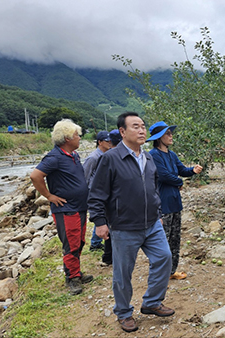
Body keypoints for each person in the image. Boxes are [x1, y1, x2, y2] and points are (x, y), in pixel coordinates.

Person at [88, 112, 174, 333]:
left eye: (143, 126)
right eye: (136, 126)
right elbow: (97, 194)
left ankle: (152, 302)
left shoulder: (148, 157)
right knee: (123, 273)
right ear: (123, 132)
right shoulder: (111, 158)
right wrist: (100, 222)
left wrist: (158, 214)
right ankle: (124, 313)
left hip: (152, 223)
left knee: (164, 257)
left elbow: (154, 189)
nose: (142, 130)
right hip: (124, 226)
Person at [29, 119, 93, 295]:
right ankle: (72, 278)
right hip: (66, 209)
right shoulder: (54, 157)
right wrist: (49, 196)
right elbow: (35, 176)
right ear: (66, 138)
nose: (79, 138)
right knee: (71, 244)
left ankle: (76, 272)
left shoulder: (74, 155)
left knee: (79, 242)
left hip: (79, 207)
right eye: (76, 135)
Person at [147, 121, 203, 280]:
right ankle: (159, 272)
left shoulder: (171, 155)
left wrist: (192, 170)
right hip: (163, 204)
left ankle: (171, 271)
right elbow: (163, 175)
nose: (171, 136)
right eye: (168, 134)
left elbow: (181, 170)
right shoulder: (153, 155)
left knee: (175, 239)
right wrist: (179, 182)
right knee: (161, 240)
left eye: (171, 133)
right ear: (159, 138)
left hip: (174, 202)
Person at [83, 130, 112, 252]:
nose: (110, 143)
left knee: (104, 216)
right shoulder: (93, 157)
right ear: (100, 142)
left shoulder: (107, 155)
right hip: (94, 192)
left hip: (104, 191)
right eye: (107, 141)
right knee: (100, 216)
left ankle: (97, 242)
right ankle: (95, 243)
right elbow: (85, 176)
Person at [100, 128, 122, 266]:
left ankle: (110, 257)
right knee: (110, 230)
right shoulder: (104, 158)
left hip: (116, 203)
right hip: (110, 203)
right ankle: (109, 257)